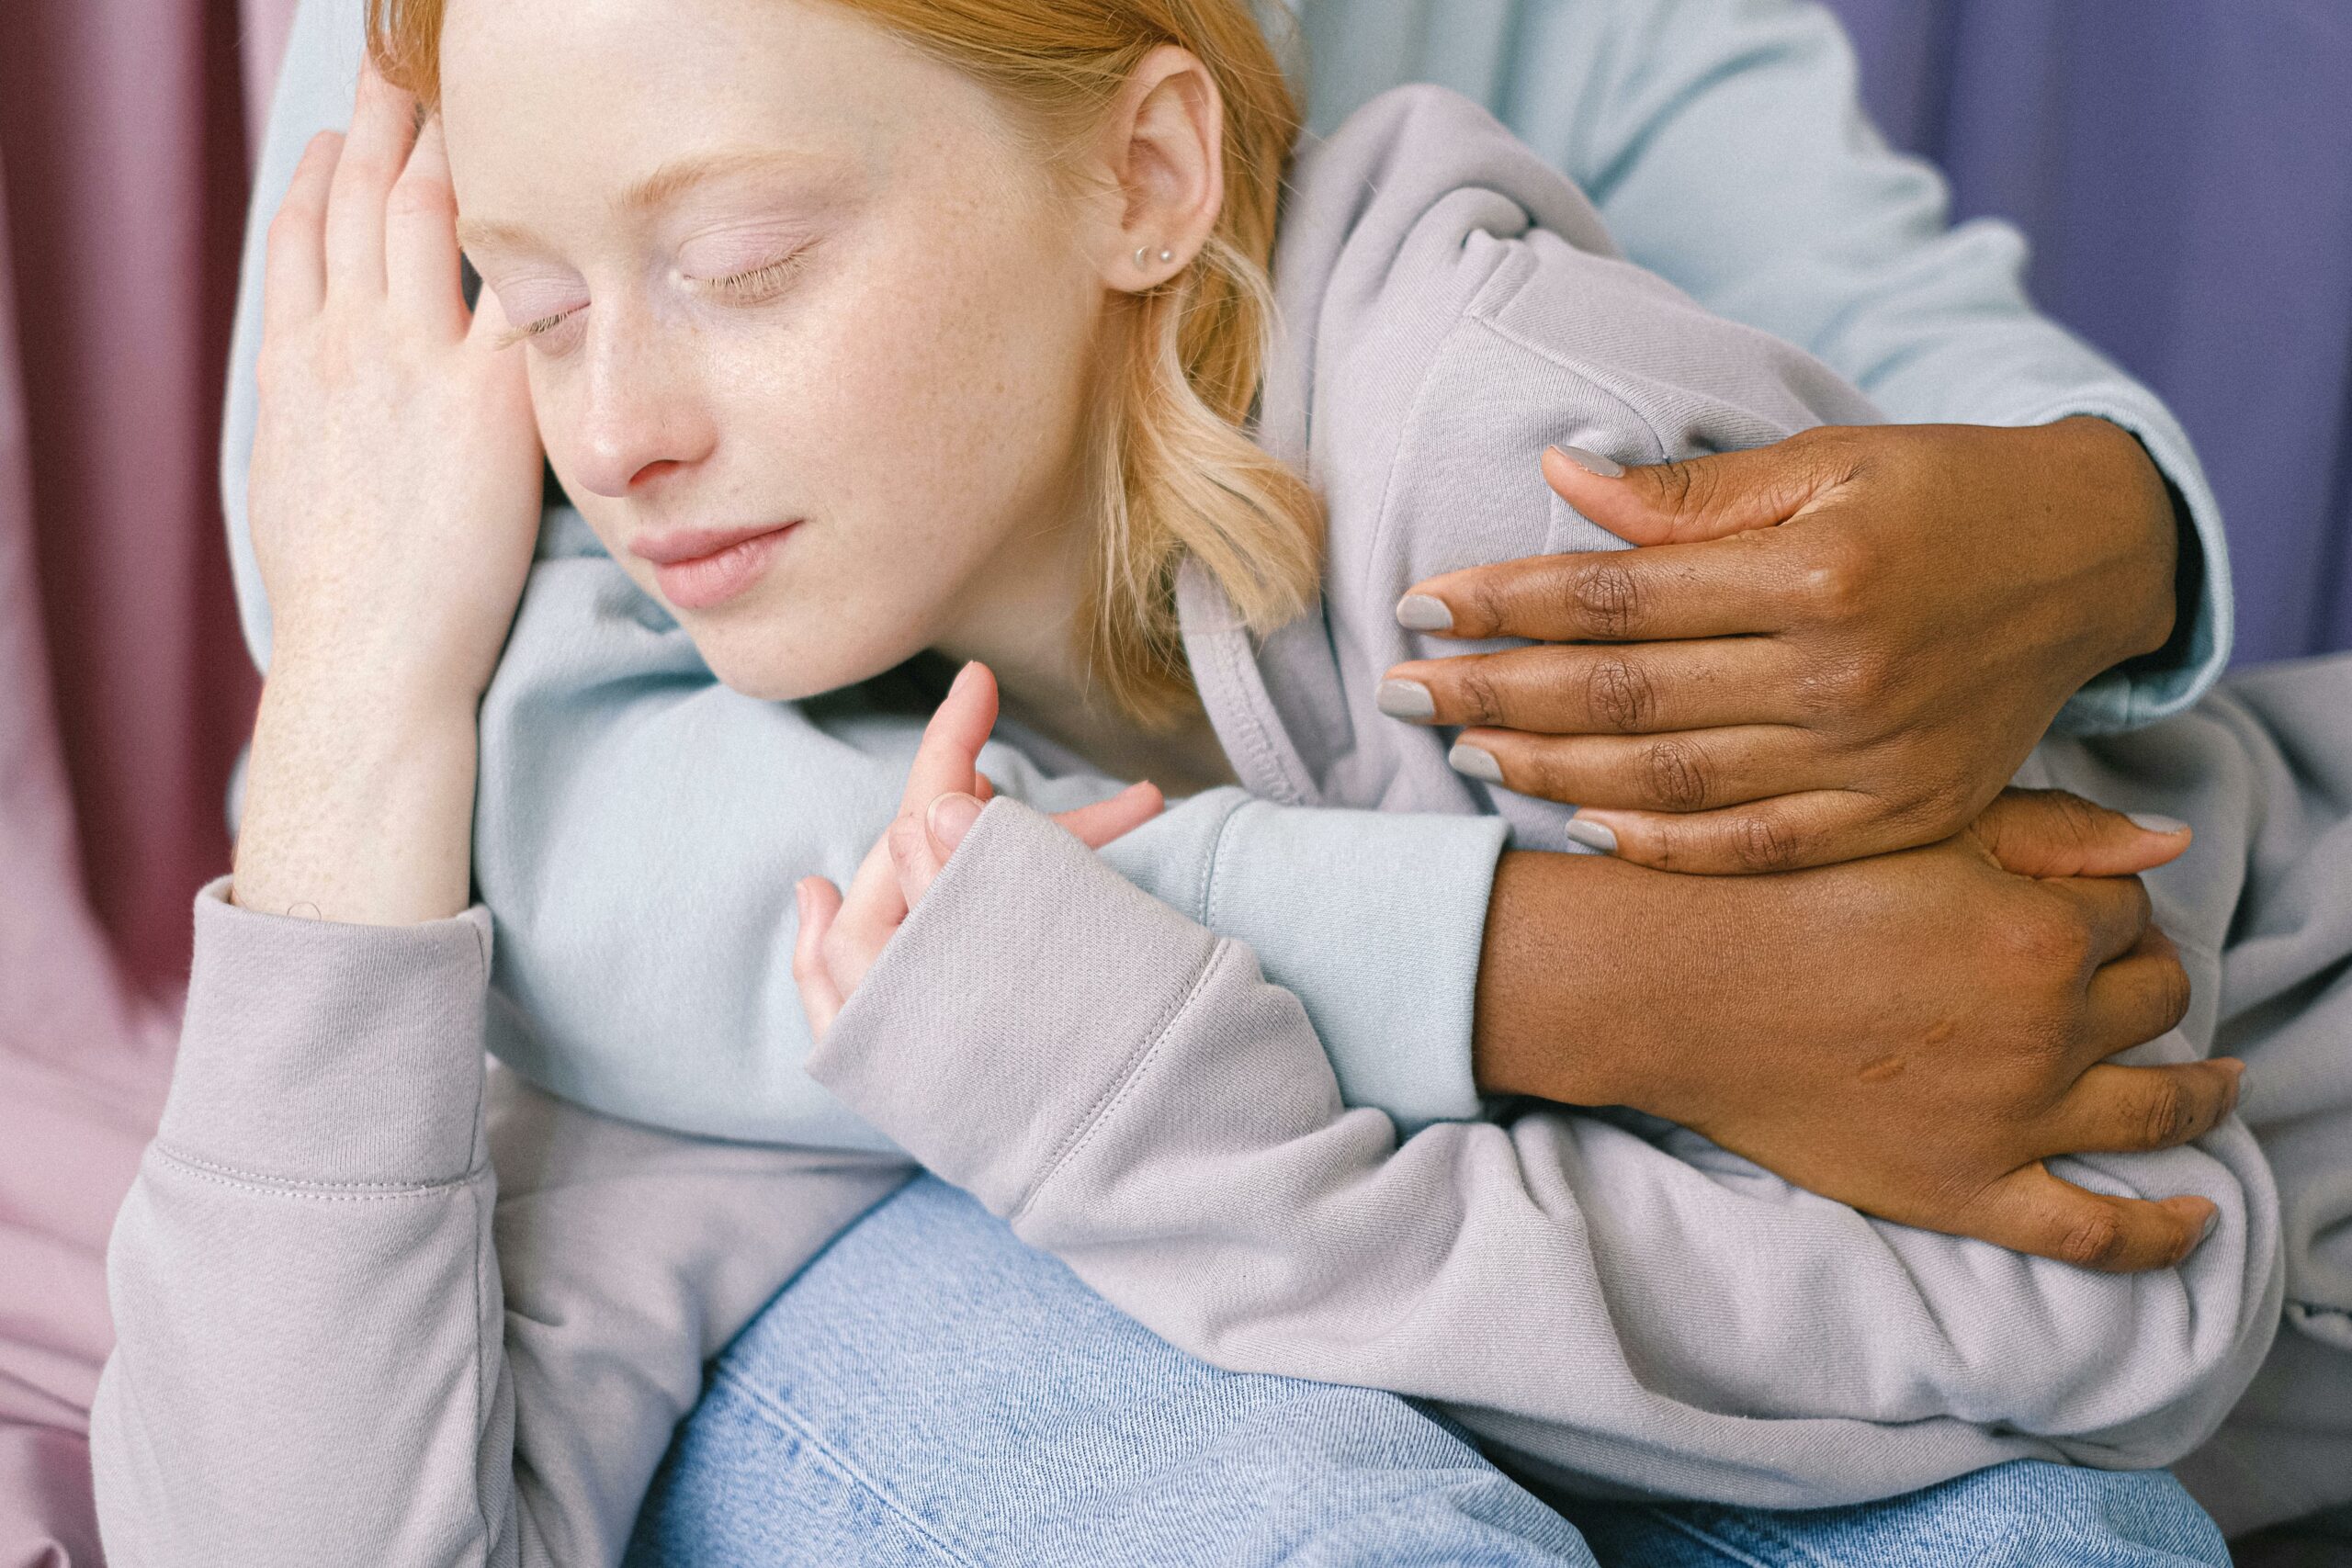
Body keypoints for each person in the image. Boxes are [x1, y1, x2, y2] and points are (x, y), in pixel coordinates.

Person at [88, 1, 2348, 1563]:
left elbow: (2098, 1280)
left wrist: (2098, 517)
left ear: (1150, 172)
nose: (611, 441)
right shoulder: (766, 829)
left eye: (747, 263)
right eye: (527, 311)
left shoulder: (1528, 484)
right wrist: (361, 683)